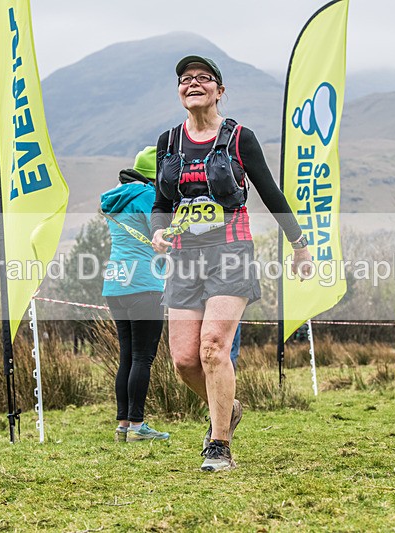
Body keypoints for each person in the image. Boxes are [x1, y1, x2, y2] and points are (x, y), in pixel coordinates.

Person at [150, 55, 312, 471]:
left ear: (219, 91)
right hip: (185, 257)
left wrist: (299, 244)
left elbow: (271, 192)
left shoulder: (240, 138)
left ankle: (219, 444)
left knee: (212, 349)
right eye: (185, 79)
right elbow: (161, 203)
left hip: (231, 252)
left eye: (203, 78)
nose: (193, 84)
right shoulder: (168, 142)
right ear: (179, 91)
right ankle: (229, 406)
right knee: (184, 360)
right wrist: (158, 230)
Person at [101, 146, 169, 442]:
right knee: (143, 357)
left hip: (115, 284)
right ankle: (138, 426)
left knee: (127, 356)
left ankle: (124, 425)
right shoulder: (147, 196)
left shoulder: (116, 198)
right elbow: (164, 233)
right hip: (144, 282)